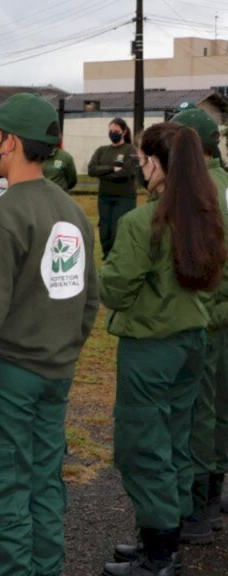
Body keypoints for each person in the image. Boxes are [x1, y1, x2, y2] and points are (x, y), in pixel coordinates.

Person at [0, 93, 99, 576]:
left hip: (10, 378)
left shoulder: (4, 214)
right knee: (44, 486)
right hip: (56, 373)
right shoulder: (72, 211)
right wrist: (62, 351)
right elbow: (89, 300)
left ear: (10, 142)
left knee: (3, 492)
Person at [99, 122, 226, 576]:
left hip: (151, 347)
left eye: (142, 158)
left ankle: (158, 555)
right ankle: (163, 539)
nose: (138, 165)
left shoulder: (142, 223)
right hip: (193, 341)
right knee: (173, 442)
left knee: (142, 446)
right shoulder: (206, 214)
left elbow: (114, 289)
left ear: (158, 163)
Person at [171, 109, 228, 544]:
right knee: (219, 404)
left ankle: (198, 508)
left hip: (206, 312)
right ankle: (213, 495)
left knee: (198, 411)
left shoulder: (199, 188)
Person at [89, 117, 139, 259]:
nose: (112, 133)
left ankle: (120, 258)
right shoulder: (101, 150)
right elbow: (91, 170)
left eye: (116, 130)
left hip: (124, 198)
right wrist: (111, 168)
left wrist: (104, 175)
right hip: (104, 197)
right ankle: (106, 257)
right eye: (110, 130)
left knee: (119, 229)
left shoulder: (132, 150)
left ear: (124, 132)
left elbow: (128, 172)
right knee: (105, 229)